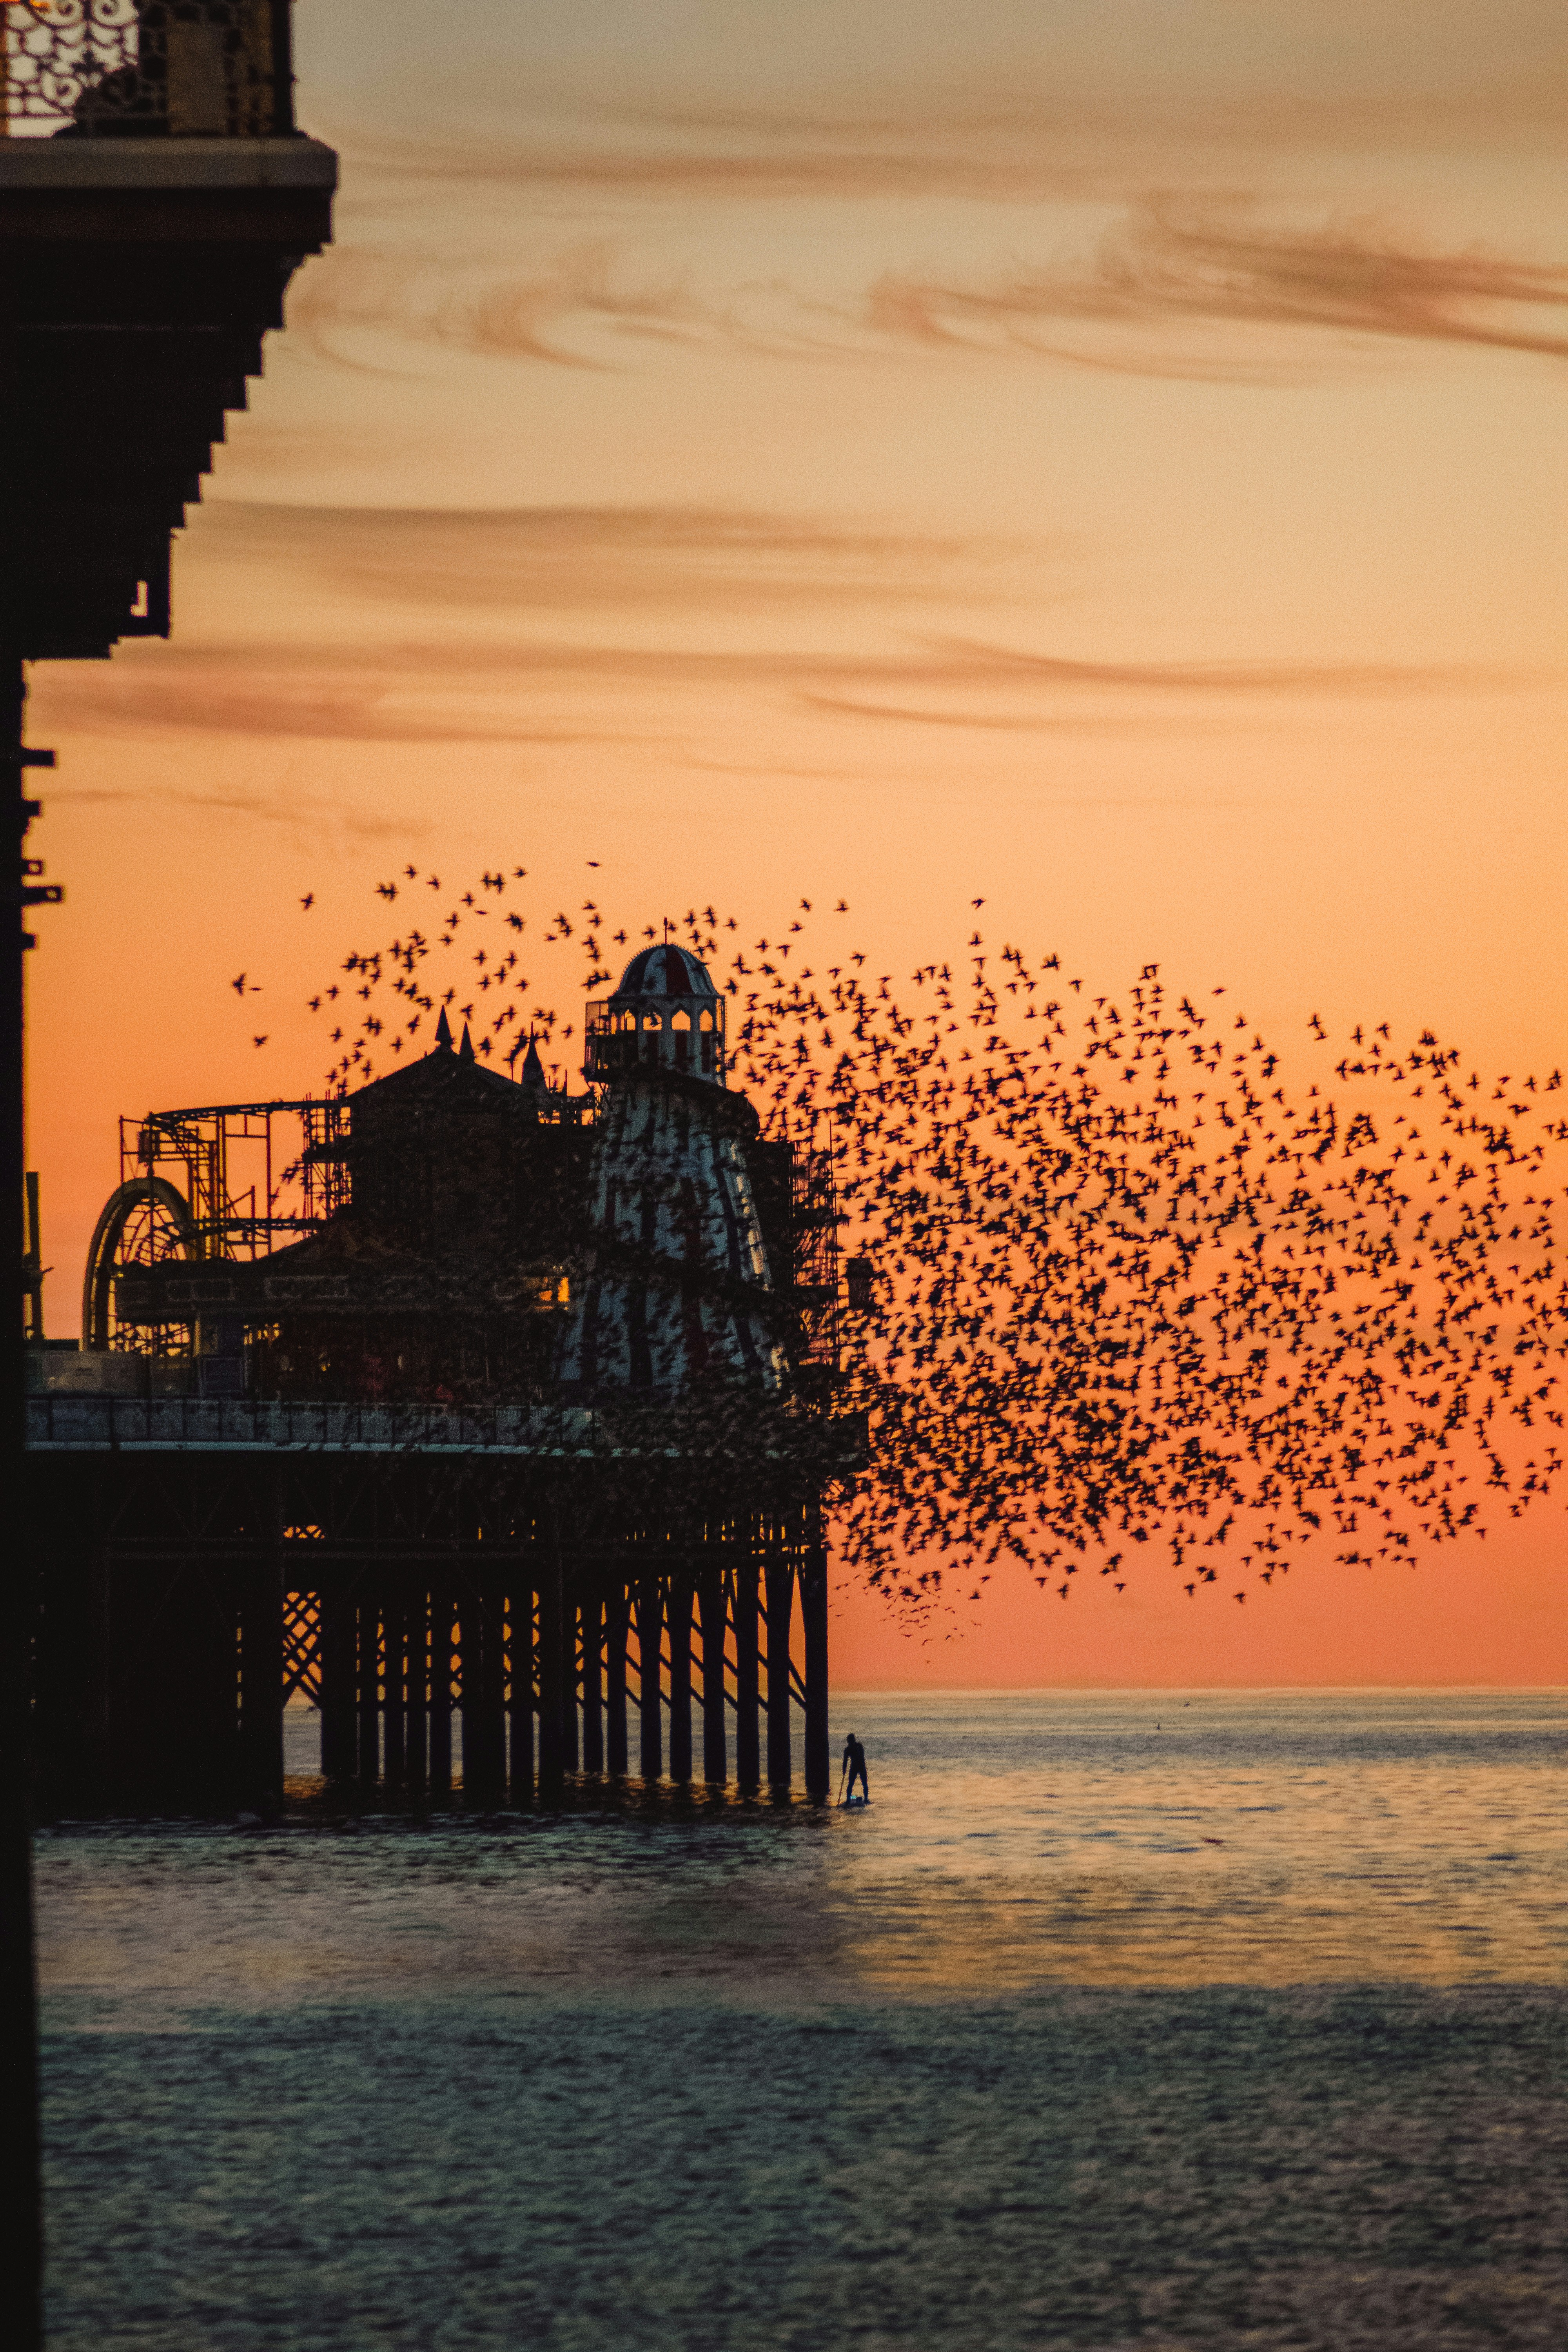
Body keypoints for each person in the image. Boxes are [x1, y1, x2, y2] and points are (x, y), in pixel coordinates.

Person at [841, 1731, 869, 1803]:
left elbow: (861, 1756)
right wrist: (844, 1769)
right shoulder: (851, 1749)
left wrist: (844, 1769)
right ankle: (849, 1800)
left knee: (863, 1783)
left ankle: (865, 1799)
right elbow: (846, 1761)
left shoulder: (857, 1747)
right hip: (858, 1766)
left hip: (859, 1766)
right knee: (852, 1783)